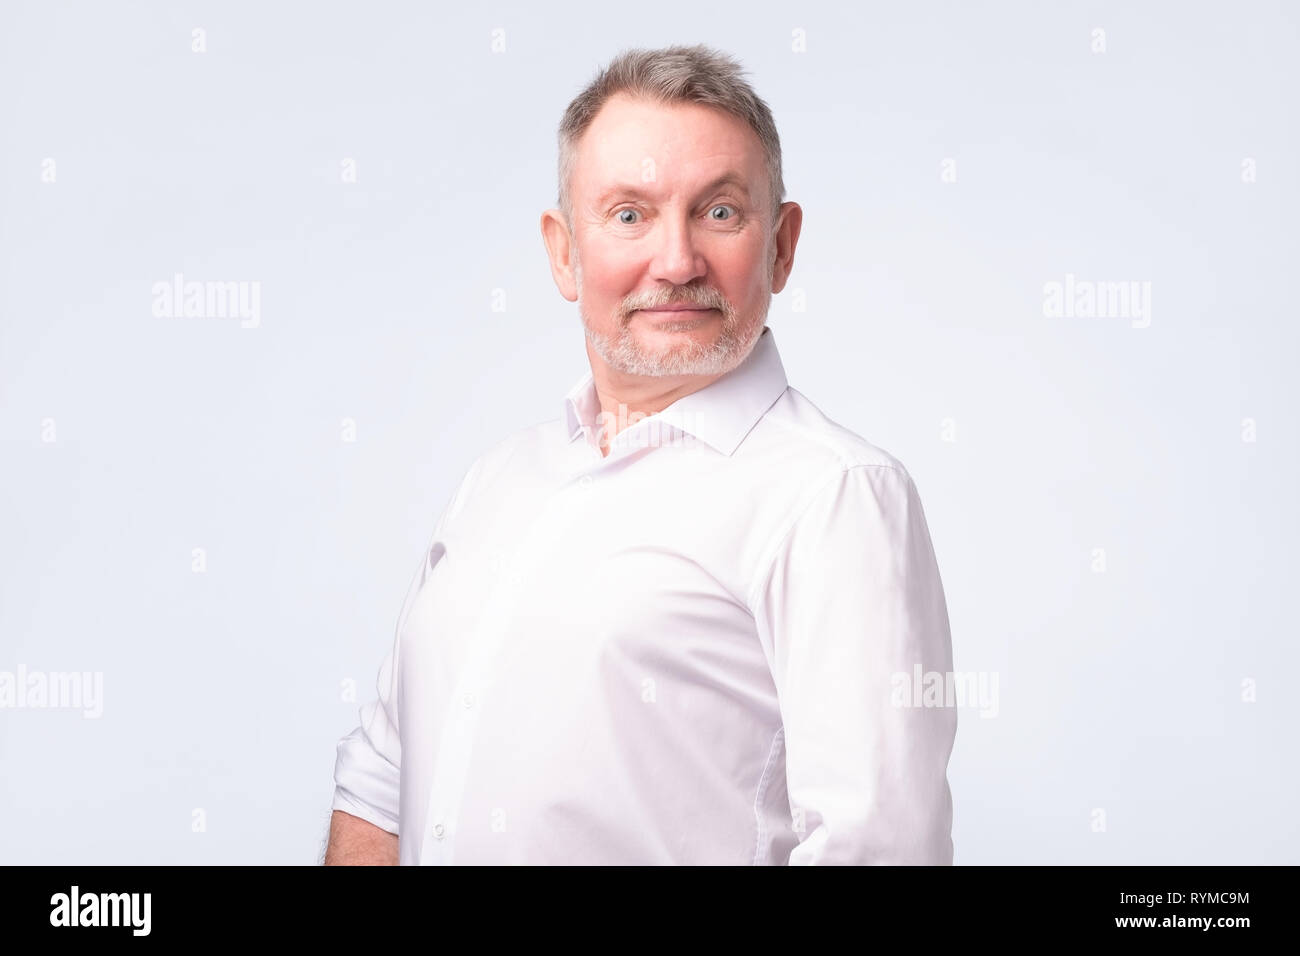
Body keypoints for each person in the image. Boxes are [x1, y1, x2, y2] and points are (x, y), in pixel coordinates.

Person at [325, 43, 956, 866]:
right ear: (563, 251)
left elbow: (878, 851)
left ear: (783, 245)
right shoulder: (499, 481)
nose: (676, 261)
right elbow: (381, 784)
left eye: (719, 211)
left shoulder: (833, 497)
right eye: (629, 214)